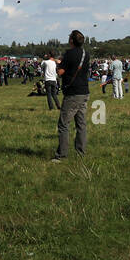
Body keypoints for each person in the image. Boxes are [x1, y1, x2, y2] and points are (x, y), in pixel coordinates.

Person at [52, 30, 91, 161]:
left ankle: (61, 155)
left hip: (73, 93)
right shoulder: (86, 53)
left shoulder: (69, 54)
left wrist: (58, 65)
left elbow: (61, 72)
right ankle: (81, 152)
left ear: (71, 41)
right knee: (81, 124)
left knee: (63, 124)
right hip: (84, 91)